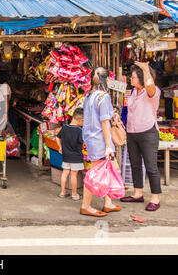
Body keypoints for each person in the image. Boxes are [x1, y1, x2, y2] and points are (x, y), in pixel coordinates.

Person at [81, 67, 122, 217]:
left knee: (110, 168)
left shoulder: (88, 95)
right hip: (100, 140)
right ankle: (85, 205)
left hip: (91, 138)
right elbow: (105, 123)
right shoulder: (103, 97)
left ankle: (108, 202)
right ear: (107, 80)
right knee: (94, 173)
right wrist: (107, 146)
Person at [120, 62, 161, 211]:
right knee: (135, 164)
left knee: (151, 167)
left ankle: (155, 198)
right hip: (132, 132)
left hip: (148, 132)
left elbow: (149, 85)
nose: (131, 79)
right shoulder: (132, 92)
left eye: (134, 77)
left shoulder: (152, 91)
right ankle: (137, 194)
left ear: (143, 78)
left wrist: (145, 69)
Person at [56, 108, 84, 201]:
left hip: (66, 155)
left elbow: (57, 137)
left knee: (65, 173)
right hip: (76, 156)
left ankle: (62, 192)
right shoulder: (80, 131)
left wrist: (60, 147)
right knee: (73, 175)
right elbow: (83, 143)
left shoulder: (64, 127)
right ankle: (74, 194)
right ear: (81, 120)